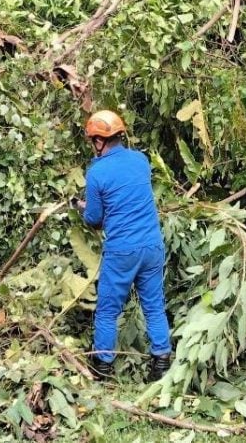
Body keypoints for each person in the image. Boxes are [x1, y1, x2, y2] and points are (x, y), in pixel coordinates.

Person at [77, 109, 172, 381]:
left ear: (98, 140)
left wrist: (82, 209)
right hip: (152, 245)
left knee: (108, 310)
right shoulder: (141, 160)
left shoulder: (96, 173)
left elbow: (95, 220)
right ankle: (161, 363)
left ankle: (103, 367)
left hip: (122, 250)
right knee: (153, 305)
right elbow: (128, 197)